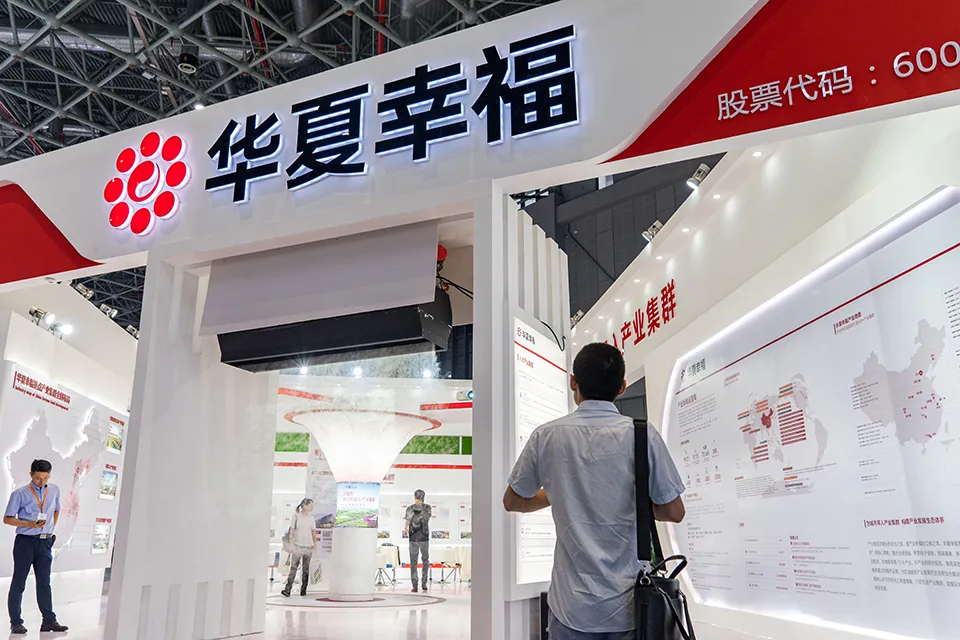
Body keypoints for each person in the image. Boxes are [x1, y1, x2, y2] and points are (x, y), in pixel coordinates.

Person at [504, 343, 686, 640]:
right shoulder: (643, 434)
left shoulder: (546, 436)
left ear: (573, 382)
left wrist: (560, 491)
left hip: (570, 608)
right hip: (630, 608)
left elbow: (513, 501)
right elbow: (674, 511)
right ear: (622, 387)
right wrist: (634, 501)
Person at [3, 459, 68, 634]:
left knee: (44, 583)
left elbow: (56, 510)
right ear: (31, 475)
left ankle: (49, 621)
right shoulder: (19, 494)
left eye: (46, 478)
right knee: (19, 582)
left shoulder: (54, 490)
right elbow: (7, 519)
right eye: (39, 478)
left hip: (45, 542)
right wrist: (28, 524)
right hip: (25, 542)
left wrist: (50, 529)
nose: (42, 481)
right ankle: (16, 622)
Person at [281, 498, 317, 598]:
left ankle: (303, 589)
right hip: (297, 546)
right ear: (304, 506)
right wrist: (292, 545)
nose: (312, 507)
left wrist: (315, 544)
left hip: (309, 547)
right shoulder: (296, 517)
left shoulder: (311, 518)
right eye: (310, 505)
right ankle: (287, 589)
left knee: (306, 569)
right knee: (293, 568)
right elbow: (291, 532)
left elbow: (313, 532)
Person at [404, 490, 432, 593]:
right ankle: (421, 583)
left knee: (416, 561)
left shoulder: (412, 508)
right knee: (422, 561)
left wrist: (406, 528)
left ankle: (417, 584)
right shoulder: (426, 508)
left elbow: (408, 521)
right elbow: (424, 519)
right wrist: (406, 528)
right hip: (420, 537)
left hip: (418, 538)